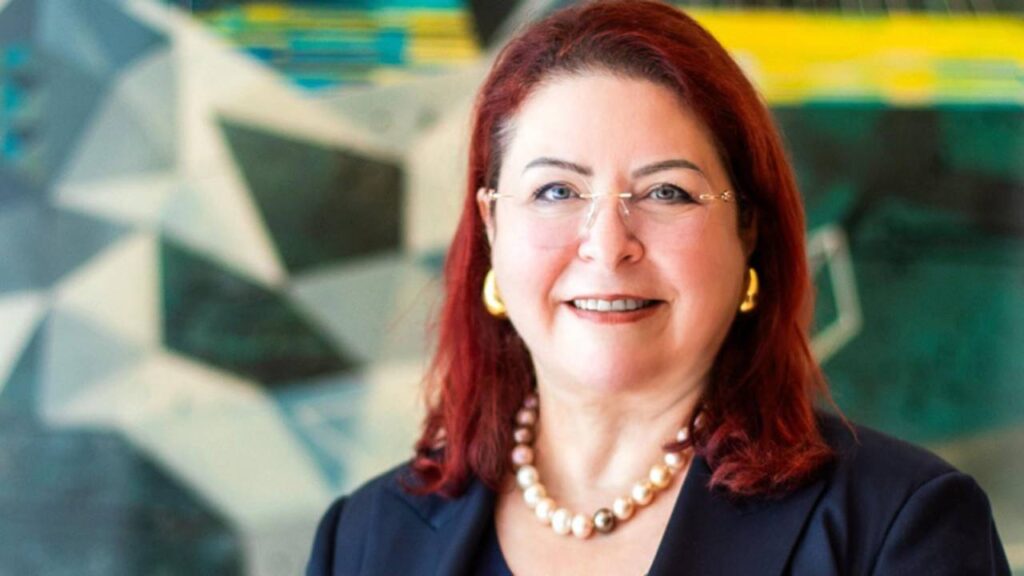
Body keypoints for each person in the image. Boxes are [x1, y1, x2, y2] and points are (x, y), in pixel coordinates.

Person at [306, 1, 1011, 574]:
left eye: (667, 192)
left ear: (747, 230)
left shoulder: (900, 528)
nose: (608, 244)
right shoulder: (362, 540)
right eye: (556, 191)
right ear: (492, 226)